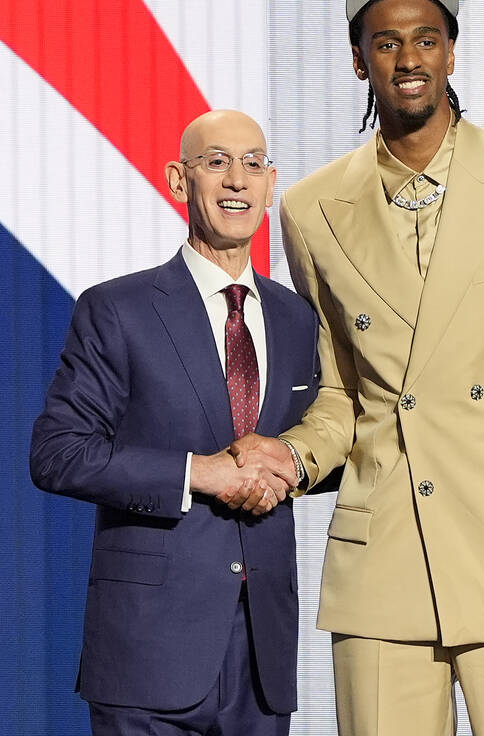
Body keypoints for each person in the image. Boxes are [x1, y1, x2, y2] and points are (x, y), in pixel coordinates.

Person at [231, 0, 484, 736]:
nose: (408, 60)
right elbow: (340, 390)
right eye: (386, 43)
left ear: (450, 48)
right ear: (357, 58)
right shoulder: (311, 208)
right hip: (383, 564)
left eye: (426, 39)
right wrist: (293, 458)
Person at [29, 109, 318, 736]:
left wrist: (293, 463)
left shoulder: (298, 319)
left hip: (262, 657)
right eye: (216, 162)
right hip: (147, 650)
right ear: (178, 180)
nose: (236, 180)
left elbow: (321, 446)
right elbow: (57, 452)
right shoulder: (116, 309)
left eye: (251, 164)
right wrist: (198, 473)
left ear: (271, 185)